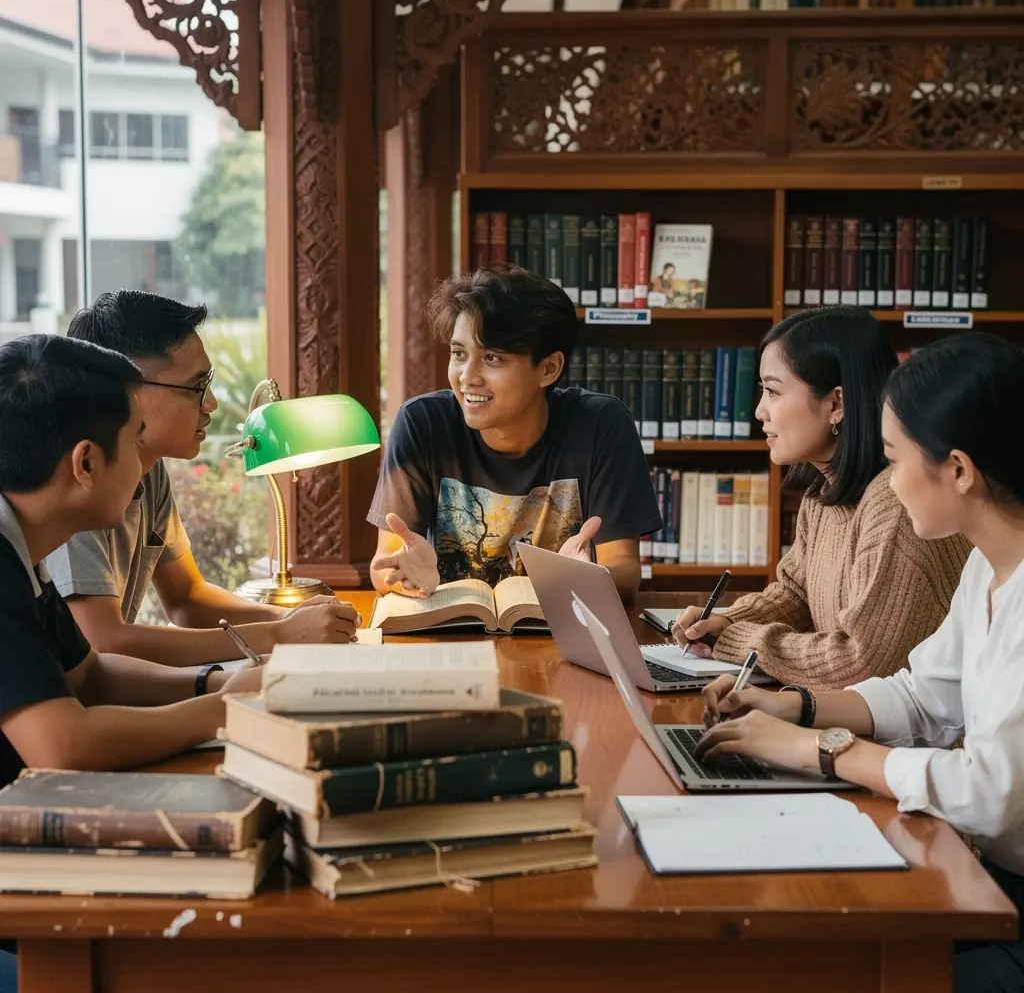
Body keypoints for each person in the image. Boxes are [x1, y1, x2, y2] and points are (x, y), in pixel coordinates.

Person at [695, 332, 1024, 993]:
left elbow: (992, 793)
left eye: (896, 457)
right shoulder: (986, 567)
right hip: (985, 875)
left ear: (958, 470)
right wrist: (797, 705)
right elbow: (926, 696)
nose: (889, 479)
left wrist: (819, 750)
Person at [0, 333, 263, 784]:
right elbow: (64, 746)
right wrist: (226, 708)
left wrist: (218, 684)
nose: (145, 465)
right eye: (137, 445)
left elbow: (91, 674)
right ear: (85, 464)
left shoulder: (23, 551)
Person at [45, 291, 359, 668]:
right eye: (196, 387)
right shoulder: (74, 481)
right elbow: (103, 642)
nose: (210, 403)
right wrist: (280, 634)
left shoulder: (148, 468)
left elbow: (187, 598)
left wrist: (290, 621)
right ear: (127, 391)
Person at [671, 307, 971, 688]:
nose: (759, 411)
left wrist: (737, 639)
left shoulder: (895, 507)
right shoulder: (823, 493)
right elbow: (797, 593)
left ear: (836, 403)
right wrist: (728, 619)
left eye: (773, 391)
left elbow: (861, 661)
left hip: (917, 742)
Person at [368, 266, 663, 602]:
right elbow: (385, 565)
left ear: (548, 368)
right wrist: (402, 575)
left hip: (559, 636)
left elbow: (624, 567)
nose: (467, 377)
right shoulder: (422, 424)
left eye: (492, 358)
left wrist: (590, 578)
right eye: (459, 354)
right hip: (454, 635)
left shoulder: (601, 424)